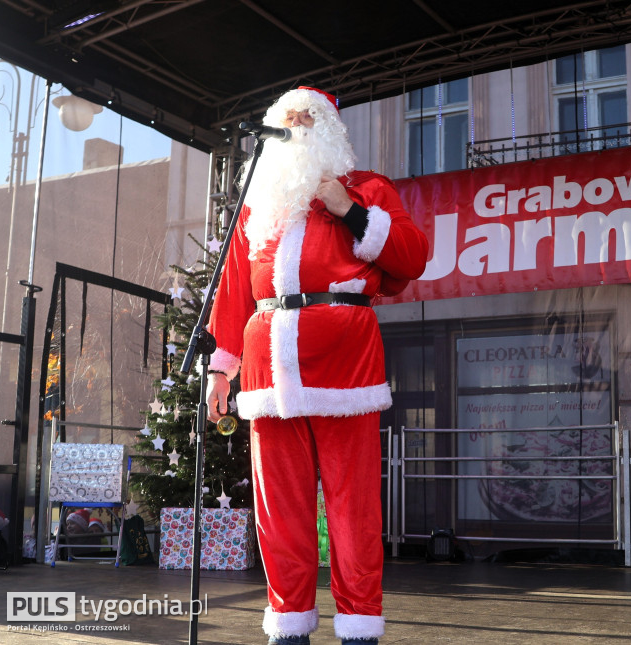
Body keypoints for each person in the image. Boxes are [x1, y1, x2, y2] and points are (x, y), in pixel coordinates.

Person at [204, 86, 429, 645]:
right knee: (278, 509)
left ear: (329, 129)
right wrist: (221, 370)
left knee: (353, 508)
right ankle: (289, 626)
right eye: (287, 121)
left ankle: (358, 627)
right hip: (267, 366)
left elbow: (411, 258)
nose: (296, 129)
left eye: (307, 120)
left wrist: (348, 210)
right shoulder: (260, 203)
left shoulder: (368, 189)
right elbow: (234, 288)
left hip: (344, 365)